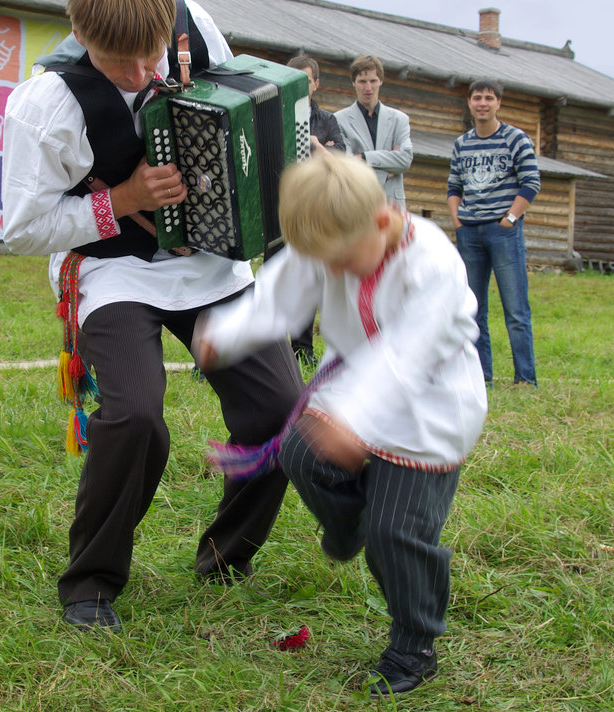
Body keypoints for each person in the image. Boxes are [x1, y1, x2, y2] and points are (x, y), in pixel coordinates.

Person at [2, 0, 303, 634]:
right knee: (135, 417)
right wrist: (123, 200)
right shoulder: (46, 105)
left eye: (152, 58)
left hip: (211, 264)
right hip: (114, 271)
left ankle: (227, 556)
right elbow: (21, 230)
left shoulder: (193, 27)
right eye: (121, 64)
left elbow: (232, 106)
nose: (143, 78)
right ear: (80, 33)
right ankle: (91, 584)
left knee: (282, 411)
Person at [194, 152, 487, 696]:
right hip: (354, 383)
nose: (333, 273)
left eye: (343, 263)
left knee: (396, 532)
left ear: (381, 221)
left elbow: (406, 355)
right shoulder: (333, 237)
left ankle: (414, 646)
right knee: (302, 453)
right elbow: (280, 296)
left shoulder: (432, 265)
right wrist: (227, 332)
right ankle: (347, 524)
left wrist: (354, 418)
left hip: (426, 409)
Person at [447, 78, 540, 386]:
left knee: (515, 309)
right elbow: (454, 187)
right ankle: (481, 376)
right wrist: (457, 221)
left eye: (489, 98)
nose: (483, 103)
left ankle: (525, 378)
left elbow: (531, 182)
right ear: (470, 103)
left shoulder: (516, 139)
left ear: (499, 103)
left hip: (503, 232)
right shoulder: (462, 144)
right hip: (470, 233)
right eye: (477, 98)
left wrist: (510, 218)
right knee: (473, 309)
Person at [285, 54, 346, 367]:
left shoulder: (327, 122)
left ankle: (302, 349)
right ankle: (269, 351)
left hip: (313, 211)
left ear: (316, 84)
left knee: (309, 279)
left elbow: (341, 160)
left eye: (305, 80)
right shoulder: (273, 112)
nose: (300, 85)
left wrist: (315, 145)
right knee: (272, 276)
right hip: (279, 209)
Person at [335, 54, 413, 207]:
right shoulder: (338, 120)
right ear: (353, 83)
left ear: (381, 81)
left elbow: (404, 160)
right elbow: (347, 166)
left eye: (373, 81)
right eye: (362, 81)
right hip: (357, 204)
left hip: (392, 207)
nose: (368, 87)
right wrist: (388, 168)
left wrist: (364, 158)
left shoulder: (400, 120)